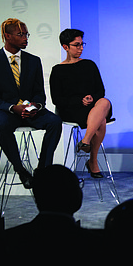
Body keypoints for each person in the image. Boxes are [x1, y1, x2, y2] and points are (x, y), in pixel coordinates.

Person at [0, 18, 62, 188]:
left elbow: (40, 93)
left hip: (30, 110)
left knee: (54, 122)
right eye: (21, 34)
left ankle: (43, 169)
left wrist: (33, 107)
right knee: (3, 126)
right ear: (7, 36)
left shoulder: (33, 60)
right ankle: (21, 171)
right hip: (4, 110)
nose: (26, 38)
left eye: (26, 34)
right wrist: (13, 108)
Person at [50, 28, 113, 178]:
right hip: (72, 109)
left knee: (104, 102)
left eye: (82, 44)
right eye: (76, 45)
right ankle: (93, 162)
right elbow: (56, 99)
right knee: (101, 120)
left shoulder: (89, 65)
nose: (81, 48)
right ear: (65, 47)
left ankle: (85, 141)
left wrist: (91, 98)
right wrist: (80, 101)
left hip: (93, 107)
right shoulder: (57, 70)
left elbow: (100, 90)